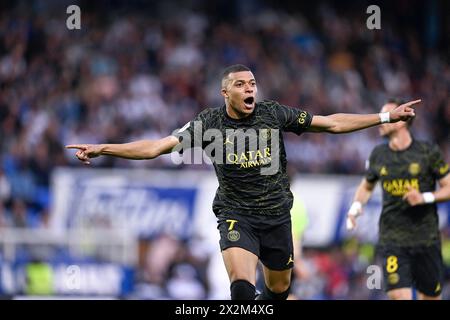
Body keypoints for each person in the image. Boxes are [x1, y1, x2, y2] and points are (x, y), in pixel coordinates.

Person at [67, 65, 420, 300]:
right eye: (241, 84)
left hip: (277, 215)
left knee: (279, 290)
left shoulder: (272, 113)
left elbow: (330, 123)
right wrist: (104, 148)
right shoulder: (208, 122)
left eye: (253, 83)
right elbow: (157, 147)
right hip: (237, 215)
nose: (250, 89)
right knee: (241, 288)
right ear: (226, 93)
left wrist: (385, 116)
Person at [346, 99, 450, 300]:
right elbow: (367, 185)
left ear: (401, 120)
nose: (381, 122)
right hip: (392, 239)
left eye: (386, 116)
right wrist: (356, 207)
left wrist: (424, 197)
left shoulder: (427, 152)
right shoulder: (378, 154)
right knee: (398, 296)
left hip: (425, 239)